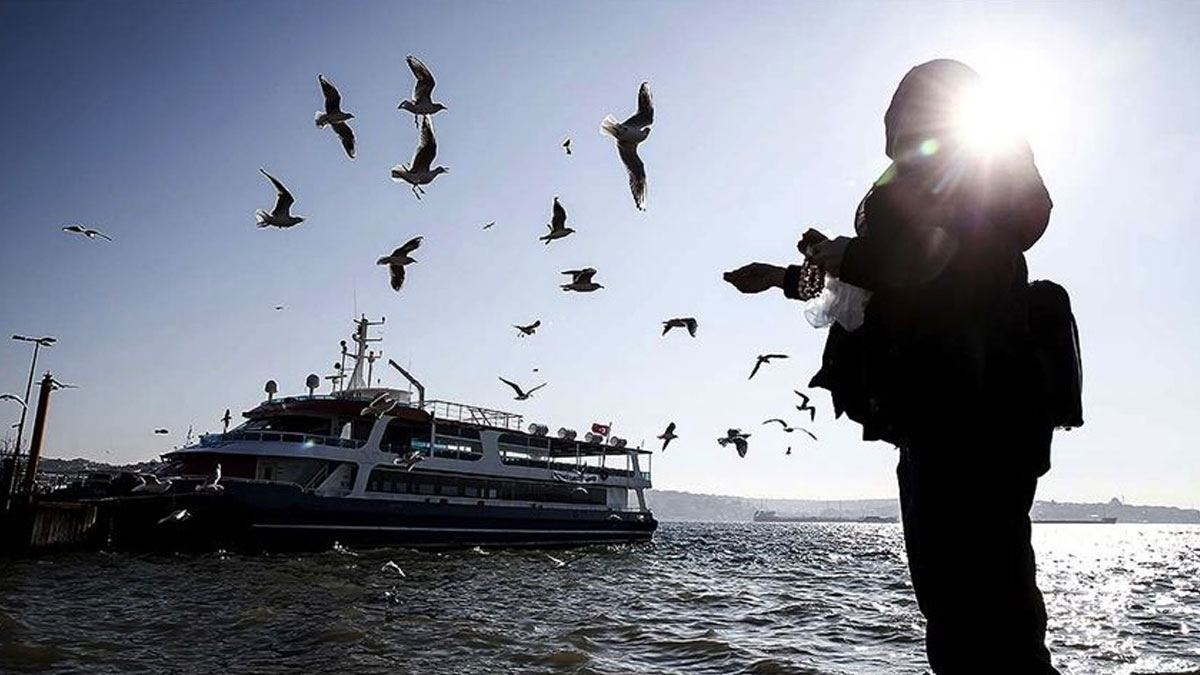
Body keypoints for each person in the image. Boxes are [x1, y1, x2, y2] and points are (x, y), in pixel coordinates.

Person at [725, 59, 1060, 674]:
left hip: (974, 419)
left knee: (990, 615)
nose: (898, 140)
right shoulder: (917, 183)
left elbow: (936, 261)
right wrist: (781, 276)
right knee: (955, 612)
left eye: (906, 125)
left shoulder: (987, 172)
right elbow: (878, 283)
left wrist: (855, 252)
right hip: (932, 422)